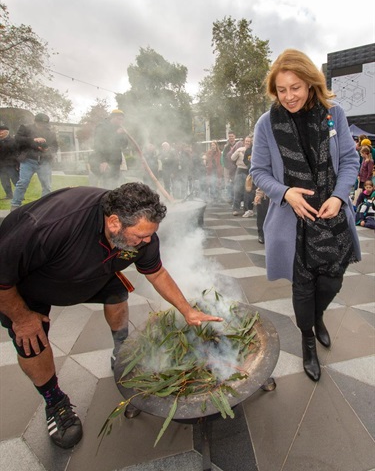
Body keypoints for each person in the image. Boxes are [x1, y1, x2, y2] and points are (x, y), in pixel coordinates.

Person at [0, 182, 222, 449]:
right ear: (114, 223)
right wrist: (22, 318)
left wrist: (188, 311)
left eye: (150, 235)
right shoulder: (49, 226)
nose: (147, 242)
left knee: (117, 294)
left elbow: (157, 273)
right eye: (140, 237)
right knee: (31, 341)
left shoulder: (141, 232)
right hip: (29, 284)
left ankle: (120, 349)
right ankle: (54, 400)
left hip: (92, 271)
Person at [250, 49, 361, 382]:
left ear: (311, 83)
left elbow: (350, 161)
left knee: (331, 280)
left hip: (332, 217)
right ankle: (307, 339)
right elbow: (259, 171)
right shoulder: (267, 124)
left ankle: (319, 315)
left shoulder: (333, 114)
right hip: (293, 222)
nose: (288, 96)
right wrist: (285, 193)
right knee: (302, 287)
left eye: (295, 87)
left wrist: (340, 197)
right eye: (281, 90)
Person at [10, 113, 58, 210]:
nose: (42, 125)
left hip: (44, 161)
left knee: (47, 185)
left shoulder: (51, 133)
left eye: (44, 124)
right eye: (40, 123)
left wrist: (48, 150)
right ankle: (15, 204)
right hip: (28, 160)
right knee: (23, 182)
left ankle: (44, 207)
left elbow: (55, 146)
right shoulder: (25, 128)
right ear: (35, 121)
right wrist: (33, 140)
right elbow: (17, 139)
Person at [90, 109, 128, 189]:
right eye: (119, 119)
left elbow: (124, 145)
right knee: (105, 186)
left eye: (122, 120)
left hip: (116, 162)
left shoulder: (119, 128)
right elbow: (98, 144)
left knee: (114, 186)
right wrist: (103, 161)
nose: (121, 121)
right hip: (105, 161)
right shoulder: (102, 126)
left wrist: (124, 135)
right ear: (113, 117)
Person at [231, 135, 252, 215]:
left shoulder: (253, 150)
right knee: (237, 190)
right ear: (244, 142)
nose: (247, 142)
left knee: (247, 191)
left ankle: (246, 209)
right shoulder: (240, 149)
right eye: (246, 141)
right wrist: (238, 152)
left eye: (249, 141)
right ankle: (235, 209)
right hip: (240, 170)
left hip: (248, 171)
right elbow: (232, 158)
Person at [0, 124, 19, 200]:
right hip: (1, 165)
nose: (0, 133)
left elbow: (16, 152)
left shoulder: (13, 141)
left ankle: (20, 194)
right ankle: (9, 195)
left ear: (6, 132)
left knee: (15, 180)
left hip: (11, 164)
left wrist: (17, 164)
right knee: (4, 181)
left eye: (1, 131)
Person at [221, 132, 240, 203]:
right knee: (229, 184)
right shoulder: (226, 147)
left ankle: (237, 199)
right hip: (229, 168)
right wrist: (228, 167)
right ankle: (230, 198)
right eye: (229, 136)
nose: (231, 138)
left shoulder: (238, 146)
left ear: (234, 136)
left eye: (232, 136)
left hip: (237, 168)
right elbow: (224, 158)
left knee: (237, 184)